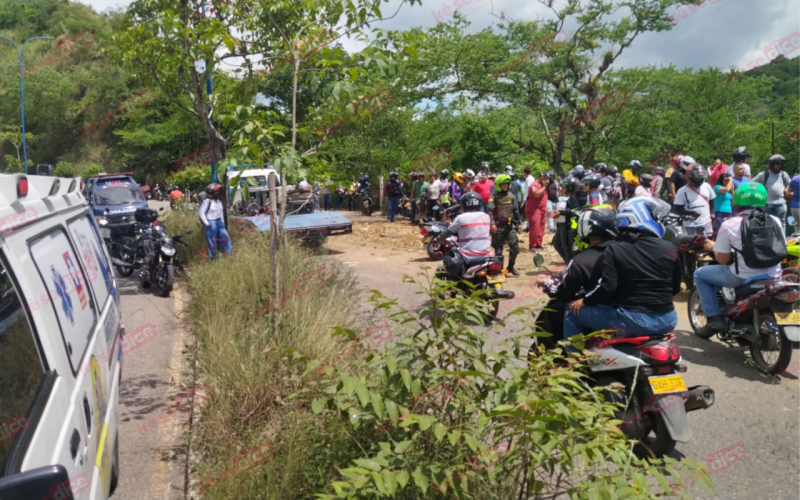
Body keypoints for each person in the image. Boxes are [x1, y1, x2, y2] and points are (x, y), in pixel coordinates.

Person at [563, 197, 681, 349]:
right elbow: (675, 287)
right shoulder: (669, 247)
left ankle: (573, 365)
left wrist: (584, 301)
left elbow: (607, 288)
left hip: (633, 322)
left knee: (571, 312)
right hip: (669, 320)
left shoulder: (615, 249)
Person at [693, 183, 785, 336]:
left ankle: (714, 318)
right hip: (774, 275)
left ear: (736, 202)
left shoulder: (729, 224)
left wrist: (714, 247)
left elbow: (723, 260)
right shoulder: (775, 220)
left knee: (700, 274)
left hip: (742, 277)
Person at [540, 206, 618, 346]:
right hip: (628, 309)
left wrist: (550, 286)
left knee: (554, 311)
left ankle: (572, 359)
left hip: (603, 310)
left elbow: (563, 292)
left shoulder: (581, 260)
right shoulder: (624, 250)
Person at [439, 192, 492, 279]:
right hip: (486, 255)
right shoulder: (486, 216)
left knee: (449, 261)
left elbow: (449, 232)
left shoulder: (460, 218)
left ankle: (452, 285)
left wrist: (438, 239)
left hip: (468, 255)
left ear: (464, 205)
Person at [488, 174, 522, 275]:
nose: (505, 186)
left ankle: (510, 267)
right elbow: (489, 211)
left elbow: (516, 210)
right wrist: (492, 224)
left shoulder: (511, 196)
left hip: (510, 225)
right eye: (503, 185)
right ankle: (498, 270)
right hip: (498, 226)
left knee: (515, 248)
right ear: (499, 185)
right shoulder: (493, 197)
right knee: (498, 250)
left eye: (507, 184)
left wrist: (519, 222)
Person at [672, 164, 716, 235]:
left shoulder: (707, 186)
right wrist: (692, 213)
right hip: (690, 225)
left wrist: (712, 213)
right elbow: (678, 209)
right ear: (690, 176)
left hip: (706, 223)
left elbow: (711, 201)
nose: (699, 180)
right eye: (696, 178)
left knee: (708, 244)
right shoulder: (682, 191)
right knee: (692, 244)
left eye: (700, 177)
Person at [752, 154, 791, 225]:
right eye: (777, 163)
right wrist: (759, 191)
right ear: (771, 164)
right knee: (768, 223)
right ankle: (771, 236)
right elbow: (752, 183)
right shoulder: (764, 174)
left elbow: (790, 185)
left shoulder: (783, 174)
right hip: (767, 203)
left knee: (782, 223)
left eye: (780, 164)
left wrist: (787, 190)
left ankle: (781, 236)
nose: (779, 165)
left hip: (781, 203)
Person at [199, 184, 232, 260]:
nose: (218, 193)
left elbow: (221, 213)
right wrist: (206, 222)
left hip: (219, 222)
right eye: (216, 192)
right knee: (212, 241)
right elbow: (201, 212)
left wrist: (222, 223)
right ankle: (213, 259)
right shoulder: (207, 201)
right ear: (211, 193)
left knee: (225, 238)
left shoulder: (219, 202)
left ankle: (228, 256)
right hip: (211, 222)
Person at [553, 178, 578, 265]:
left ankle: (571, 266)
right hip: (561, 225)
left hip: (567, 226)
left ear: (569, 188)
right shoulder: (562, 198)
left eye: (563, 187)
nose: (561, 189)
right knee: (557, 244)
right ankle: (570, 263)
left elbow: (574, 211)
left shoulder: (573, 198)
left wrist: (561, 212)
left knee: (567, 248)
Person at [525, 171, 550, 251]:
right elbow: (536, 194)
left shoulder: (543, 185)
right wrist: (544, 187)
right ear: (541, 176)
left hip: (542, 210)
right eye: (545, 178)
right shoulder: (534, 185)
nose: (546, 180)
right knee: (535, 227)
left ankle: (538, 244)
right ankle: (532, 245)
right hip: (534, 209)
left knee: (541, 227)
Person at [712, 172, 735, 236]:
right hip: (719, 212)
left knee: (729, 232)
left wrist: (732, 190)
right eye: (726, 180)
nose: (728, 182)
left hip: (729, 213)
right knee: (721, 232)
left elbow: (733, 202)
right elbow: (726, 189)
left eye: (729, 181)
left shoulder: (728, 191)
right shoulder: (717, 187)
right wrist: (730, 179)